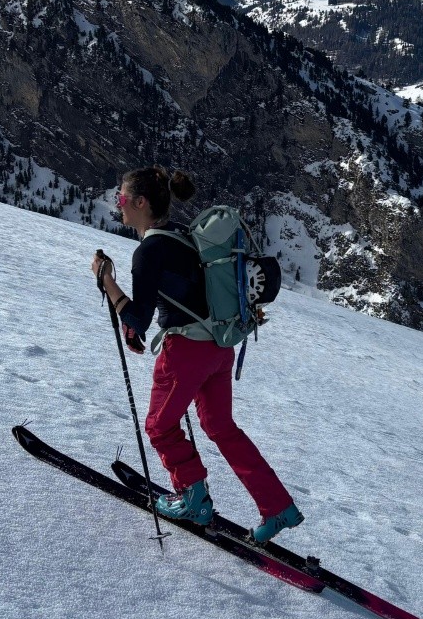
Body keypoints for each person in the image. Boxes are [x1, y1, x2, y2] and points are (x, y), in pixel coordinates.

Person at [91, 165, 304, 544]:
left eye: (121, 198)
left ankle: (193, 498)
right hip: (219, 348)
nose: (117, 204)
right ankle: (278, 506)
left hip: (185, 352)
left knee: (159, 427)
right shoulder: (183, 236)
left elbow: (139, 317)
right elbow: (179, 295)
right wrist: (135, 326)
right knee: (221, 427)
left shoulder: (148, 251)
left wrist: (106, 280)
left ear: (140, 203)